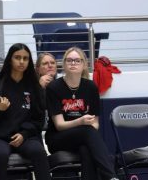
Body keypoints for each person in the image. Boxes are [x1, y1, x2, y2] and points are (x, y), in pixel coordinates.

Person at [45, 47, 117, 180]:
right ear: (64, 64)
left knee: (86, 150)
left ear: (84, 64)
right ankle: (111, 176)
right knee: (87, 132)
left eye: (77, 61)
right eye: (69, 60)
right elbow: (59, 125)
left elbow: (95, 124)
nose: (73, 63)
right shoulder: (54, 87)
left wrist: (86, 126)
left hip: (84, 137)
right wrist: (81, 122)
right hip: (58, 138)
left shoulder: (91, 87)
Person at [0, 43, 51, 180]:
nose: (21, 61)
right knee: (0, 155)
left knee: (39, 152)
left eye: (25, 58)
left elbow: (39, 119)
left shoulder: (34, 86)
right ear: (10, 59)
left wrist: (24, 134)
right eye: (17, 57)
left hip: (26, 137)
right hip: (0, 137)